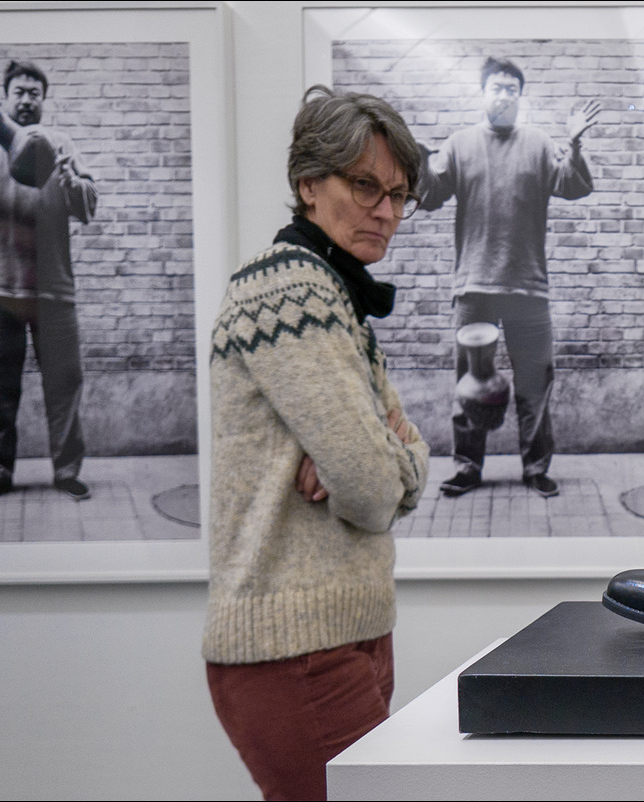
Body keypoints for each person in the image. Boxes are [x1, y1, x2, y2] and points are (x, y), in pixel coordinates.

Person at [203, 86, 430, 801]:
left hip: (346, 631)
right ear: (308, 183)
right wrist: (375, 457)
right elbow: (368, 486)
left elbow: (403, 462)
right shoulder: (287, 292)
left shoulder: (336, 298)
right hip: (295, 645)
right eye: (366, 185)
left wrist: (382, 457)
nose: (386, 211)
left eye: (397, 194)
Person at [419, 56, 601, 498]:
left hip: (528, 289)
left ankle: (536, 468)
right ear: (483, 94)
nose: (504, 95)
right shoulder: (459, 144)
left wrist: (574, 144)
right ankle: (467, 467)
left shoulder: (539, 144)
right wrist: (421, 162)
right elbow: (428, 198)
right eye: (496, 87)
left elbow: (576, 186)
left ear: (520, 97)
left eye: (512, 89)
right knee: (469, 384)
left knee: (535, 383)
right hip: (475, 287)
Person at [0, 60, 98, 502]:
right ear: (8, 95)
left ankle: (67, 472)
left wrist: (72, 179)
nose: (27, 98)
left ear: (43, 99)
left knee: (64, 385)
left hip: (54, 290)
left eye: (34, 92)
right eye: (19, 91)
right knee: (0, 390)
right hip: (1, 290)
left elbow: (88, 207)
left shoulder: (62, 142)